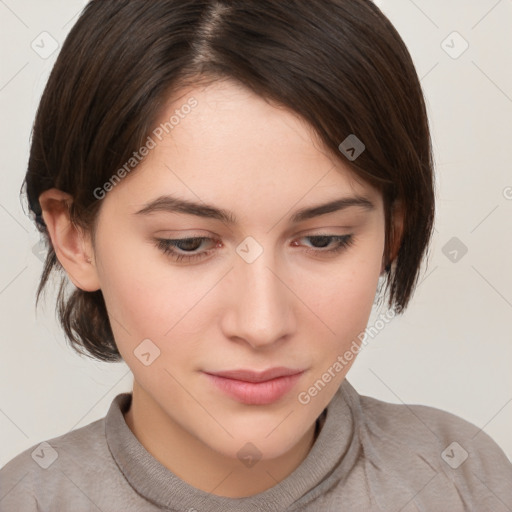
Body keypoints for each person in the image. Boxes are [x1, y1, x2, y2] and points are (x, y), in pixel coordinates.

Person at [1, 0, 511, 510]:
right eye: (188, 244)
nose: (262, 324)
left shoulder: (461, 479)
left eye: (323, 239)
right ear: (75, 237)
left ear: (391, 233)